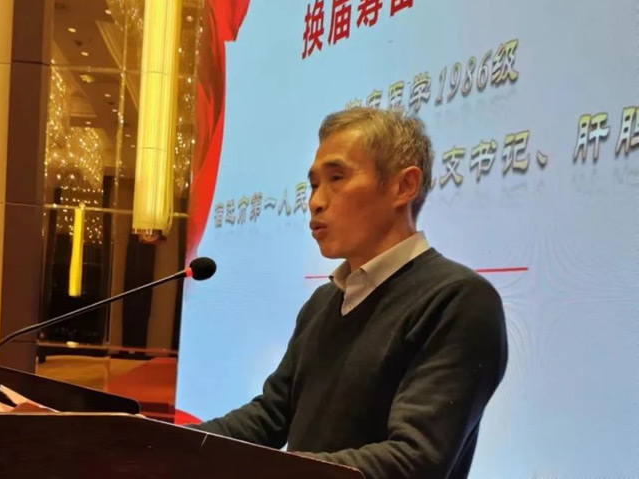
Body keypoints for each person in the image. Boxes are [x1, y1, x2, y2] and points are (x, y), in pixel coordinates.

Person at [192, 108, 508, 479]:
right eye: (313, 185)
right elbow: (270, 416)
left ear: (404, 186)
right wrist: (163, 442)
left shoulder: (458, 300)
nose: (315, 201)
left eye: (336, 178)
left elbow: (414, 459)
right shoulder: (324, 302)